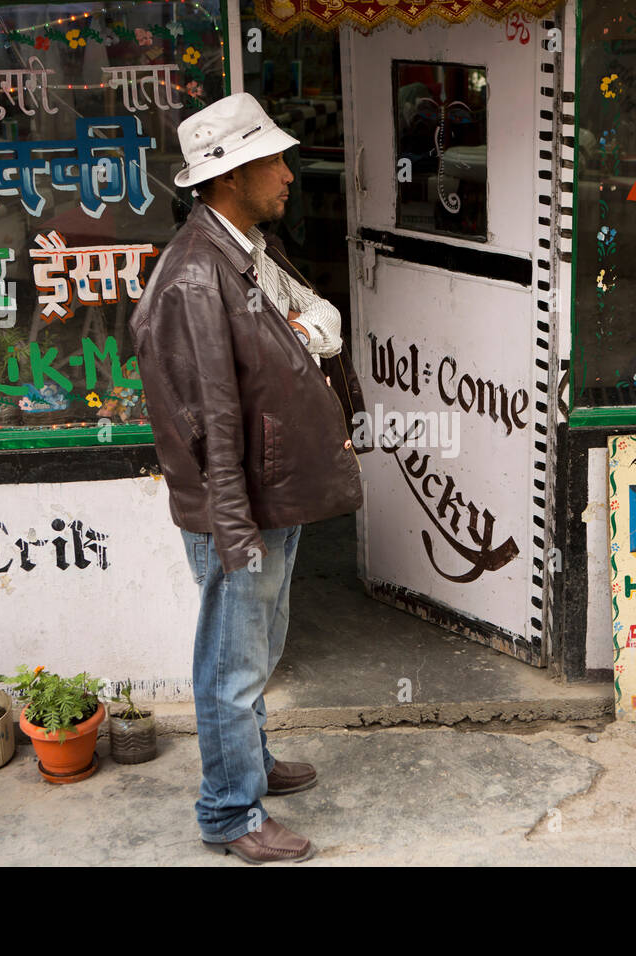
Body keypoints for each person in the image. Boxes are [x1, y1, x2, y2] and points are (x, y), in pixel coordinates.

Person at [128, 93, 363, 863]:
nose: (291, 175)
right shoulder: (198, 276)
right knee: (230, 666)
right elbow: (208, 421)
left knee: (255, 648)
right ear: (230, 175)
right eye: (275, 160)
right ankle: (229, 815)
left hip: (265, 494)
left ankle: (252, 765)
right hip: (242, 505)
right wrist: (236, 530)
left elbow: (313, 326)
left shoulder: (241, 249)